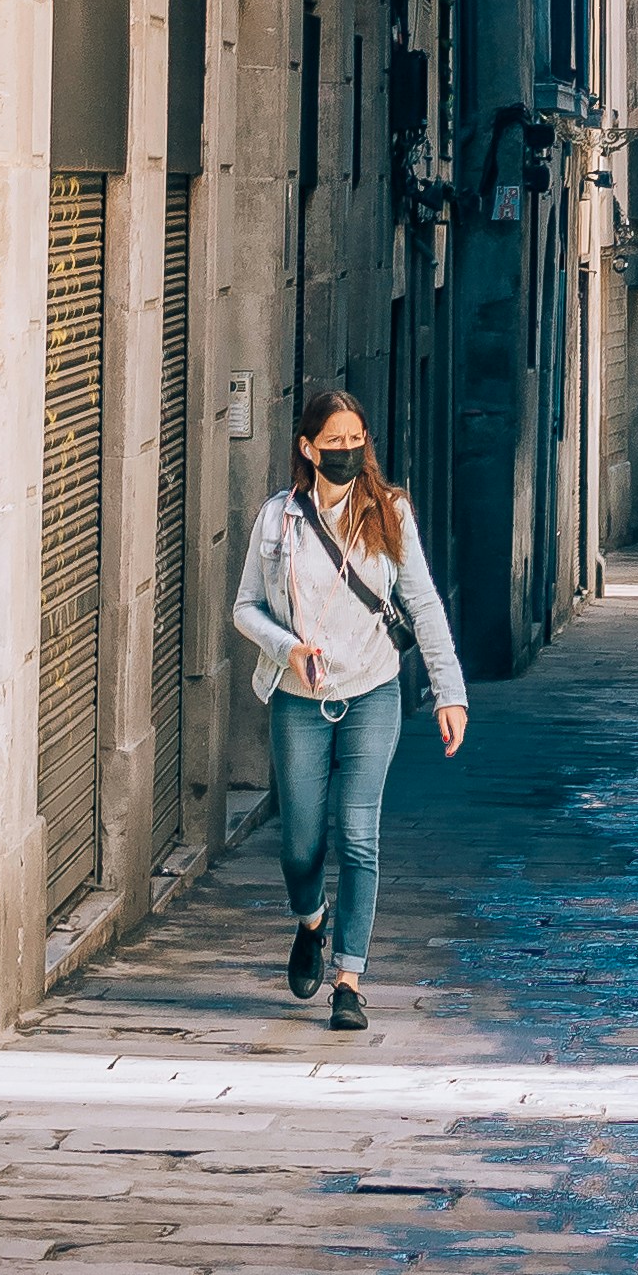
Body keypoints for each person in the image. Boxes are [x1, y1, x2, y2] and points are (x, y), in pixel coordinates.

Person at [231, 388, 467, 1029]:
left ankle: (349, 981)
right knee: (300, 846)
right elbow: (244, 607)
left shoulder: (389, 513)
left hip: (373, 692)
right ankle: (311, 920)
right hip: (298, 701)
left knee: (358, 835)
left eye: (354, 441)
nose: (345, 452)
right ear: (308, 449)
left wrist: (450, 693)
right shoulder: (277, 520)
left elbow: (423, 604)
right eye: (332, 442)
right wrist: (286, 649)